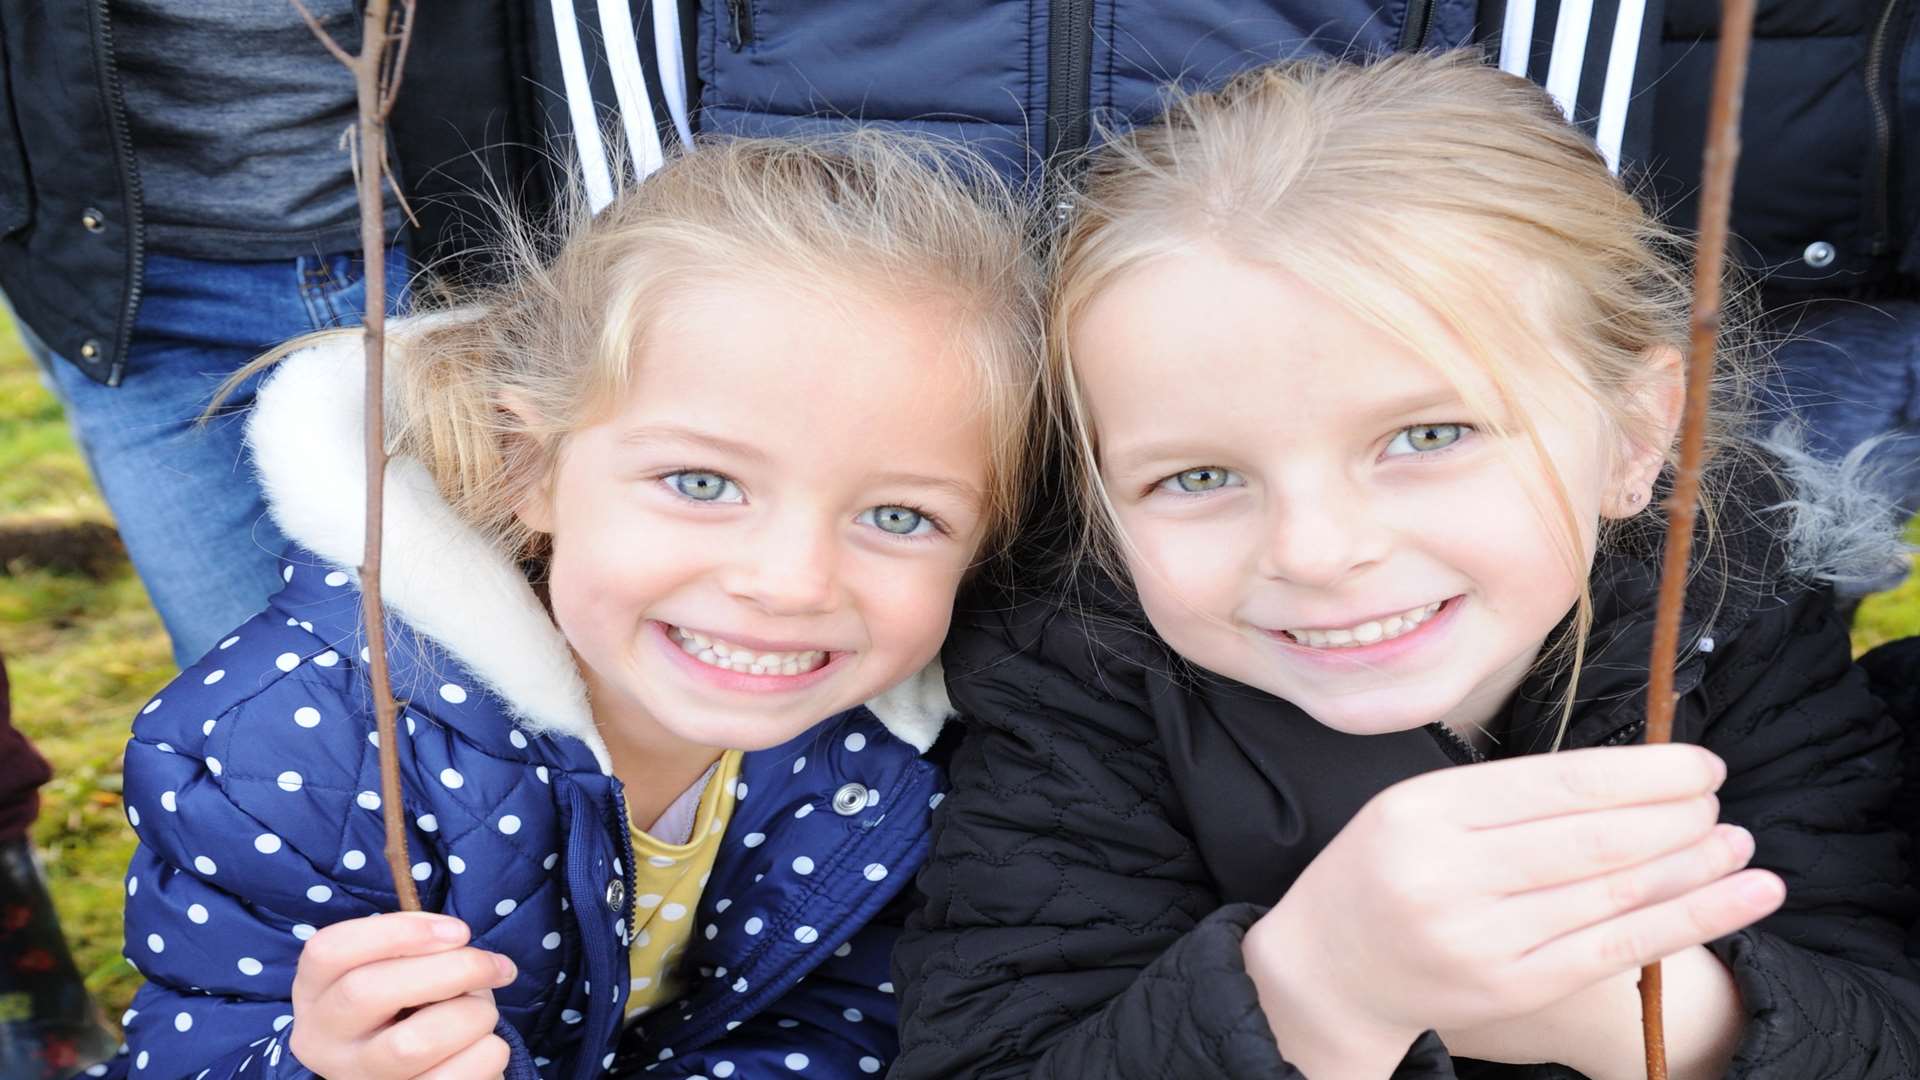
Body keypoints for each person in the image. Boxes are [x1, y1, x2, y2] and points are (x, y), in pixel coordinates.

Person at [893, 52, 1920, 1078]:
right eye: (1200, 476)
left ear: (1635, 434)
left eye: (1428, 438)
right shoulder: (1078, 682)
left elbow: (1885, 1009)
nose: (1318, 552)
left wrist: (1638, 1015)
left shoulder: (1729, 616)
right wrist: (1323, 996)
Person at [94, 132, 1042, 1078]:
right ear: (530, 465)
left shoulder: (931, 745)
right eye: (703, 483)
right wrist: (324, 1066)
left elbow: (846, 1016)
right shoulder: (294, 754)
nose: (790, 582)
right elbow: (200, 1043)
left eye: (897, 514)